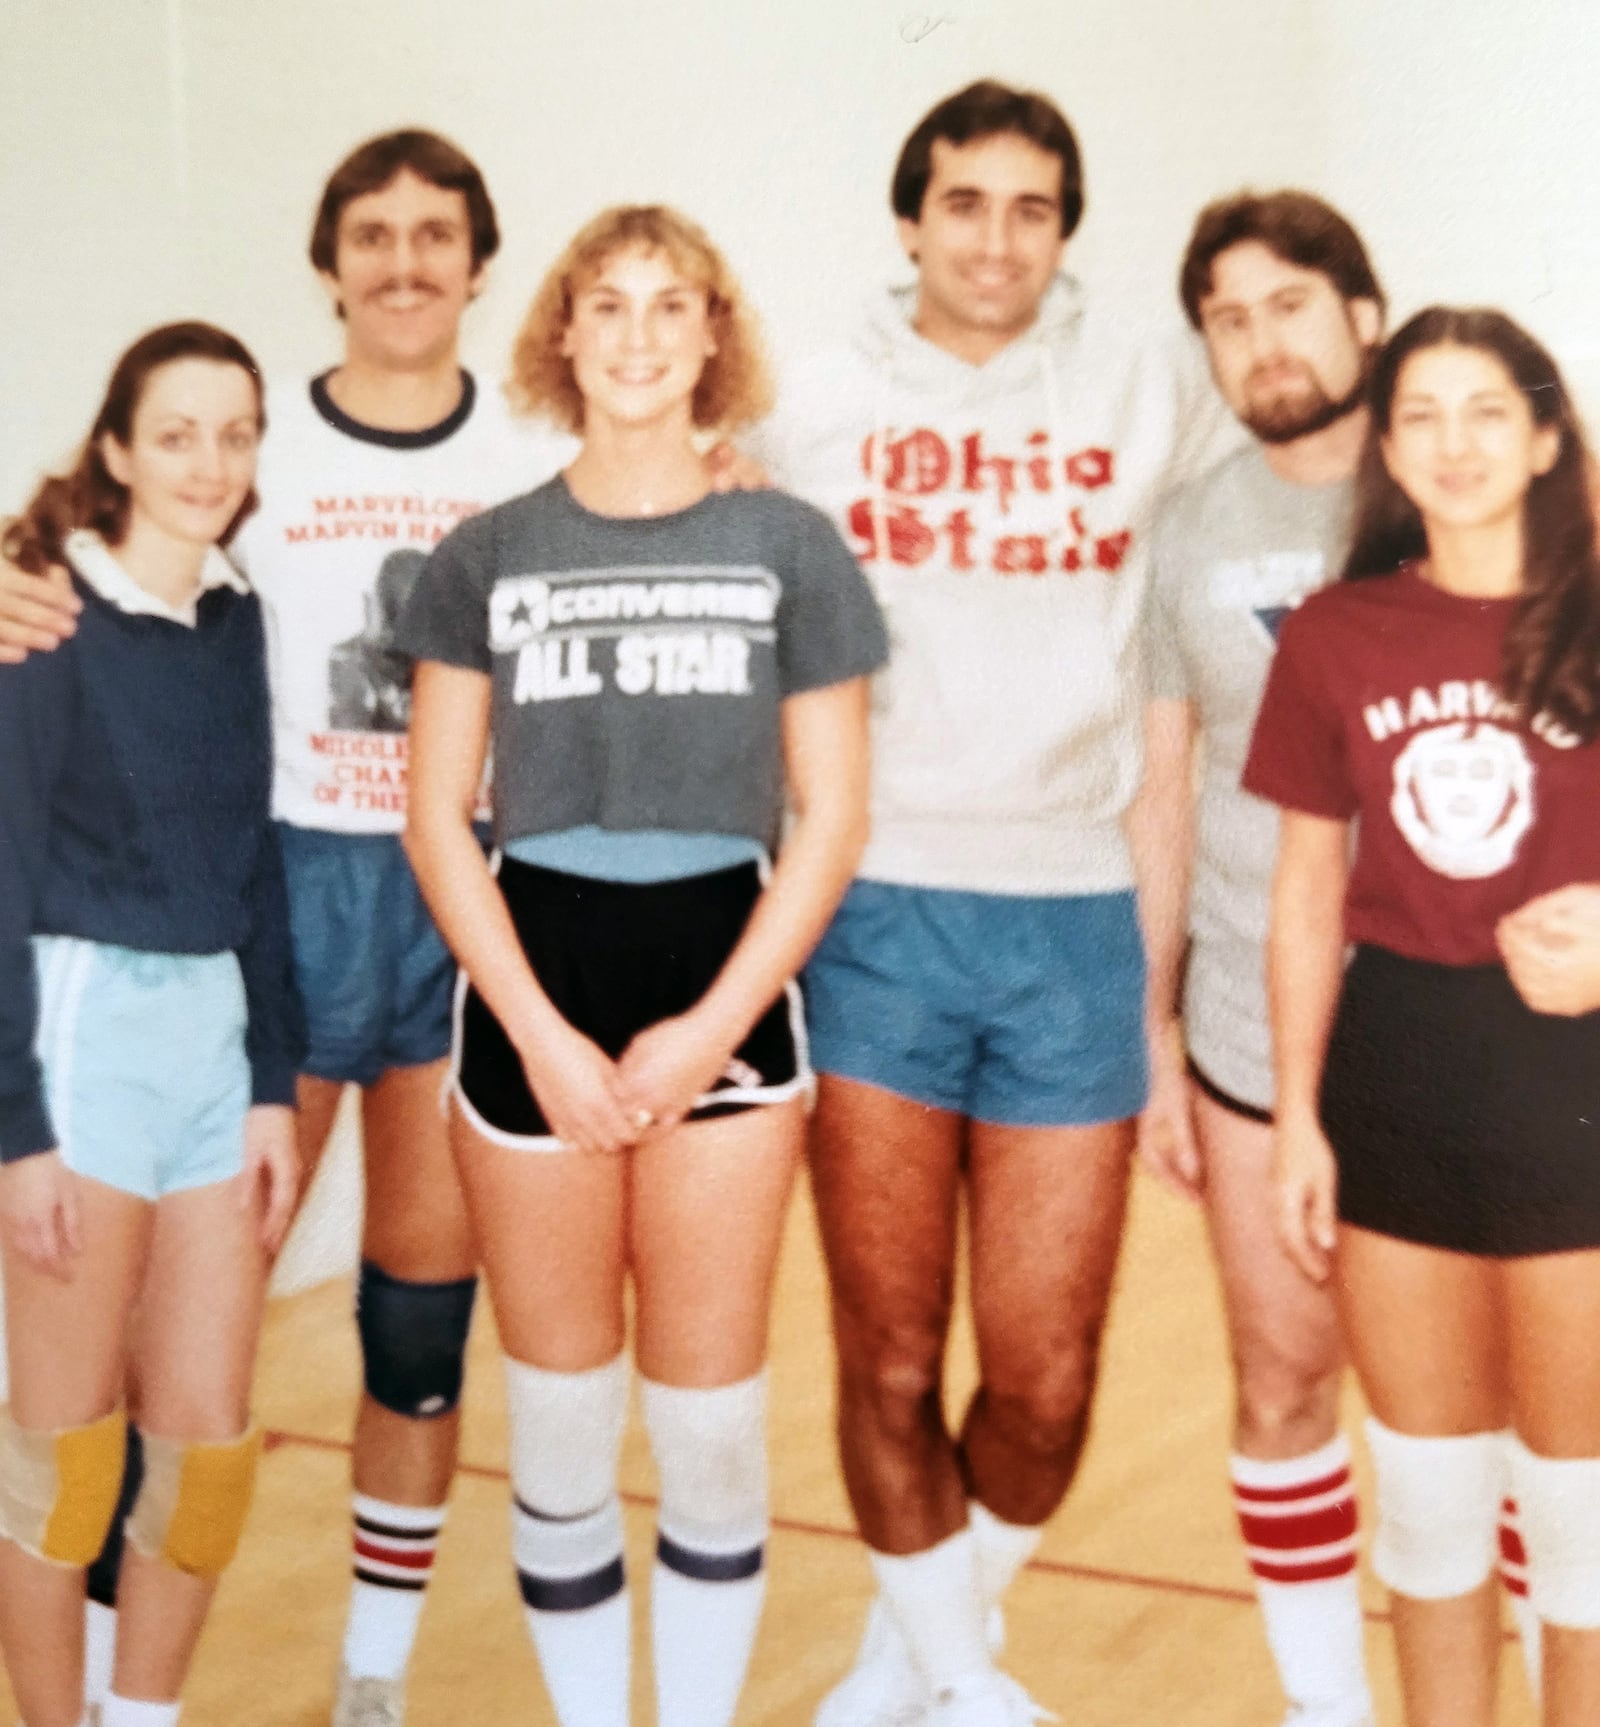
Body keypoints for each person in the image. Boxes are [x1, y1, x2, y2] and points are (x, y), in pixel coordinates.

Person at [753, 79, 1235, 1726]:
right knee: (888, 1358)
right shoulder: (808, 398)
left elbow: (1332, 465)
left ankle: (920, 1647)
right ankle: (963, 1684)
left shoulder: (1148, 383)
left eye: (1033, 210)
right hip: (873, 912)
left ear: (1067, 233)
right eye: (965, 204)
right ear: (910, 220)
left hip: (1073, 924)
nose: (996, 240)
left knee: (1044, 1382)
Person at [399, 204, 884, 1727]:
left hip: (720, 981)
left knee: (712, 1429)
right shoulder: (487, 552)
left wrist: (713, 1027)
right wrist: (538, 1035)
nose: (636, 335)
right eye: (605, 306)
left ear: (713, 341)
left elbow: (833, 815)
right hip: (531, 985)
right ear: (559, 336)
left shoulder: (787, 542)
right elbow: (434, 817)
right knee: (556, 1423)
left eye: (672, 307)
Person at [1243, 307, 1600, 1727]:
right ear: (1387, 450)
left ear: (1546, 435)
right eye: (1423, 418)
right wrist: (1293, 1122)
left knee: (1576, 1520)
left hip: (1572, 1081)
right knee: (1435, 1504)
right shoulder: (1337, 632)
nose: (1455, 445)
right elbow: (1302, 894)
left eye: (1486, 412)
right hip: (1398, 1076)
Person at [0, 322, 302, 1727]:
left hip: (213, 1046)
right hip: (80, 1041)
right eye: (176, 433)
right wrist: (17, 1131)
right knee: (61, 1461)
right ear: (116, 450)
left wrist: (271, 1086)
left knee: (206, 1455)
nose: (210, 463)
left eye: (236, 433)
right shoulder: (45, 616)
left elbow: (256, 861)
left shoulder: (242, 616)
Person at [1137, 190, 1385, 1727]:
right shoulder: (1194, 529)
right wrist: (1152, 1033)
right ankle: (1325, 1706)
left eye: (1289, 302)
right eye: (1228, 317)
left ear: (1364, 311)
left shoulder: (1479, 484)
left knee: (1481, 1412)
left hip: (1467, 1036)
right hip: (1244, 1024)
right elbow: (1164, 786)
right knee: (1285, 1381)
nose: (1260, 341)